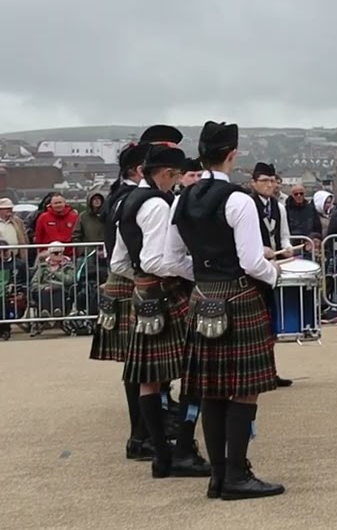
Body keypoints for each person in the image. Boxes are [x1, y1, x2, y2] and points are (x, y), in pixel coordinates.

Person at [166, 121, 284, 500]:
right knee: (244, 390)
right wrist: (274, 274)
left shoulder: (182, 198)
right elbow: (252, 261)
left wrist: (203, 279)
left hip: (202, 298)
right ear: (232, 154)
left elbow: (172, 259)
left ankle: (218, 477)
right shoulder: (238, 199)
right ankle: (237, 475)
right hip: (238, 296)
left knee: (211, 390)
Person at [117, 144, 210, 478]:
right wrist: (195, 271)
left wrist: (142, 282)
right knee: (196, 371)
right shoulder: (157, 205)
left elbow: (119, 262)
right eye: (174, 175)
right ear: (167, 173)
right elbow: (158, 260)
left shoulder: (129, 201)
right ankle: (183, 449)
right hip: (168, 294)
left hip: (144, 295)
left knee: (149, 380)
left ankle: (159, 455)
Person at [92, 123, 183, 462]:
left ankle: (149, 431)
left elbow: (118, 255)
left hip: (130, 280)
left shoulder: (122, 195)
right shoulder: (141, 199)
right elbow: (140, 255)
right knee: (143, 369)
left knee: (143, 369)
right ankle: (144, 435)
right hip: (139, 285)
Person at [250, 162, 294, 388]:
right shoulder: (247, 205)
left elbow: (284, 235)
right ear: (253, 183)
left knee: (271, 323)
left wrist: (285, 247)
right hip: (252, 269)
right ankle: (256, 372)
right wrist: (260, 250)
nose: (269, 185)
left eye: (272, 180)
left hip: (273, 268)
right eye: (264, 181)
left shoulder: (280, 207)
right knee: (256, 325)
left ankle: (270, 371)